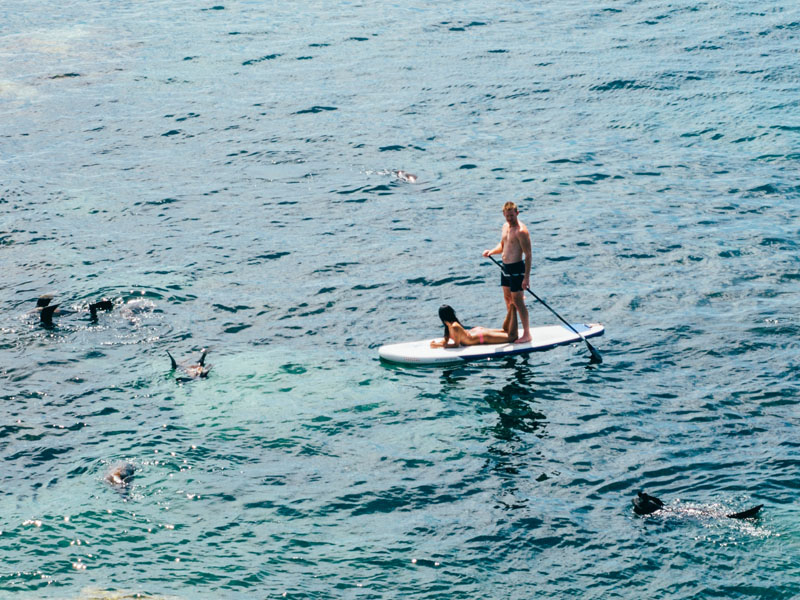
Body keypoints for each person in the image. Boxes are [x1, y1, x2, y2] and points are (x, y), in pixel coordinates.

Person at [482, 201, 532, 343]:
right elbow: (503, 245)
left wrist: (526, 278)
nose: (509, 219)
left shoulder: (521, 231)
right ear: (504, 214)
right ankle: (513, 329)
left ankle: (527, 333)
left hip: (517, 269)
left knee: (517, 301)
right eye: (507, 216)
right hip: (505, 268)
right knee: (508, 299)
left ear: (517, 213)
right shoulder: (505, 227)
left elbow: (528, 255)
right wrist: (491, 251)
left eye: (511, 215)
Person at [430, 304, 518, 348]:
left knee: (512, 337)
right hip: (475, 333)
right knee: (505, 330)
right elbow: (446, 341)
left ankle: (513, 307)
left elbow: (456, 345)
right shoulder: (448, 327)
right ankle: (511, 306)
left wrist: (438, 345)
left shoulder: (454, 327)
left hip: (481, 337)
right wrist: (436, 344)